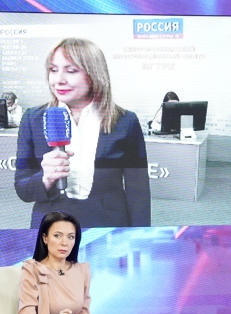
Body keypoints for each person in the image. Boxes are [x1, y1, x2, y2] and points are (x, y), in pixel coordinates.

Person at [15, 38, 150, 229]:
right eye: (53, 70)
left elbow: (138, 193)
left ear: (94, 75)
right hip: (51, 226)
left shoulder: (125, 121)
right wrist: (46, 178)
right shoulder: (33, 119)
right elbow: (23, 189)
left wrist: (140, 236)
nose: (59, 80)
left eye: (71, 71)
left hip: (106, 225)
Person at [18, 211, 96, 314]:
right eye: (57, 236)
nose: (64, 243)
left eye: (71, 237)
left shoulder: (82, 270)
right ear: (45, 238)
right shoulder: (32, 270)